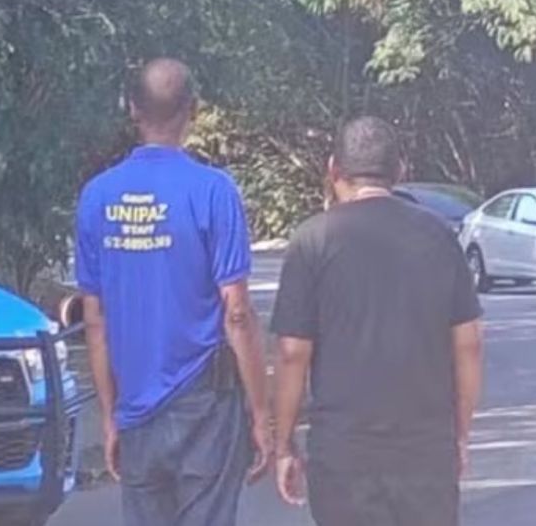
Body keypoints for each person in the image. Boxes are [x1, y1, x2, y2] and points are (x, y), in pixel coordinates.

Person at [75, 59, 273, 526]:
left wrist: (110, 416)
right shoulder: (214, 192)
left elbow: (95, 322)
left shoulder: (98, 196)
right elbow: (237, 313)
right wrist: (260, 414)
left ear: (132, 110)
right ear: (194, 110)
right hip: (206, 401)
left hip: (136, 402)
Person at [271, 116, 485, 526]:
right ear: (399, 171)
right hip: (424, 449)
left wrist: (284, 445)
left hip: (342, 452)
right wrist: (458, 434)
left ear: (334, 170)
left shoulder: (313, 240)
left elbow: (292, 352)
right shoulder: (438, 235)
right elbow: (469, 342)